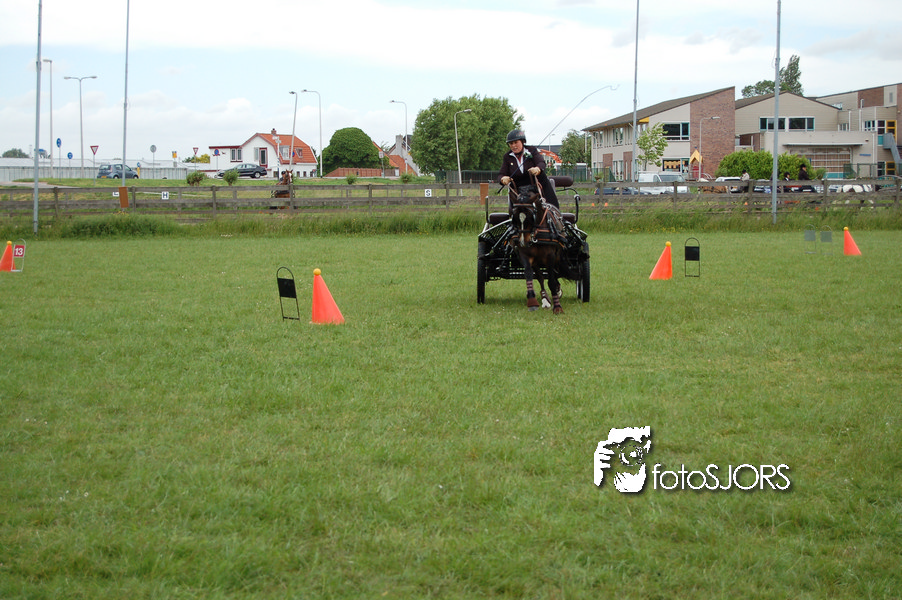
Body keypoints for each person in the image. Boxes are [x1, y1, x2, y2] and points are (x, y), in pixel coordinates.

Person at [498, 129, 559, 208]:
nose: (513, 145)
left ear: (522, 142)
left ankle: (554, 209)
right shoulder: (507, 157)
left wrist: (538, 169)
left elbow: (541, 162)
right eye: (511, 143)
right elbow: (501, 174)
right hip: (518, 188)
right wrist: (502, 179)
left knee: (544, 181)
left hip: (535, 184)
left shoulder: (532, 150)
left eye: (516, 142)